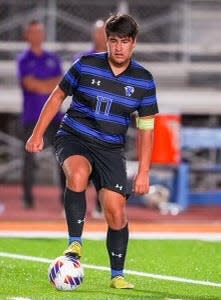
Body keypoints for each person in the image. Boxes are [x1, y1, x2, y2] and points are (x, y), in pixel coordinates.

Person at [25, 14, 159, 289]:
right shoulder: (85, 65)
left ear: (133, 43)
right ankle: (75, 244)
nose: (118, 47)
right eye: (113, 41)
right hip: (74, 137)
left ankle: (117, 275)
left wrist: (144, 171)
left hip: (110, 148)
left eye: (124, 41)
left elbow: (146, 128)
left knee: (116, 211)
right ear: (107, 42)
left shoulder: (144, 80)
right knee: (77, 175)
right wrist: (37, 133)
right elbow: (57, 97)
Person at [17, 19, 65, 208]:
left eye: (39, 32)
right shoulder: (23, 59)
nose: (37, 35)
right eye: (33, 32)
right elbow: (30, 84)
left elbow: (61, 85)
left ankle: (65, 197)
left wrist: (43, 86)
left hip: (55, 117)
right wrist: (49, 86)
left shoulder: (53, 58)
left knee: (62, 157)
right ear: (27, 35)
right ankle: (28, 199)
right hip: (32, 117)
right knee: (28, 159)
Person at [74, 19, 107, 219]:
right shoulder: (83, 58)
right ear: (93, 34)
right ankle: (77, 209)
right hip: (84, 119)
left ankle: (100, 207)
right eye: (99, 32)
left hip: (106, 122)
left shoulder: (116, 59)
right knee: (79, 164)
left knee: (102, 165)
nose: (102, 36)